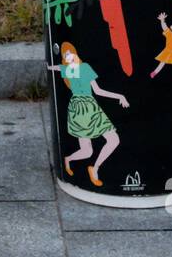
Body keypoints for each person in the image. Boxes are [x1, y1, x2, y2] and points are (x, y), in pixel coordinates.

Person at [48, 42, 130, 188]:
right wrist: (48, 65)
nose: (69, 57)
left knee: (113, 139)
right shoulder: (67, 70)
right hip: (78, 110)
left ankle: (95, 168)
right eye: (65, 56)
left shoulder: (85, 68)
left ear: (75, 53)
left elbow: (98, 90)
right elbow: (53, 67)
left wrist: (119, 96)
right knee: (87, 151)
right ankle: (68, 160)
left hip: (91, 107)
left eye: (70, 53)